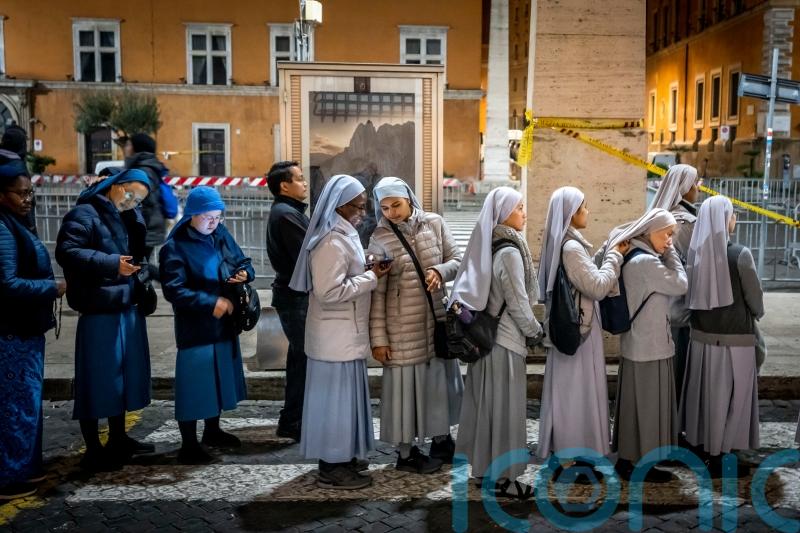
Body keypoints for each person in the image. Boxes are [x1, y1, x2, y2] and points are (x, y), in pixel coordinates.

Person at [290, 174, 391, 490]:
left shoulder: (343, 234)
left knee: (344, 403)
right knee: (334, 405)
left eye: (363, 207)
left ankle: (344, 456)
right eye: (358, 208)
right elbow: (329, 291)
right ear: (340, 206)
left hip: (345, 336)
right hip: (334, 339)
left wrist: (366, 267)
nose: (362, 214)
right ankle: (332, 466)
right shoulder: (331, 241)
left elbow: (346, 273)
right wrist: (371, 277)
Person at [55, 168, 155, 471]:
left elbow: (140, 256)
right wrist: (112, 264)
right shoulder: (85, 213)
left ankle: (118, 438)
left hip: (125, 305)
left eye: (139, 199)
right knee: (97, 380)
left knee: (122, 379)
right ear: (116, 186)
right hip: (99, 309)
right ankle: (93, 448)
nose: (134, 201)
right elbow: (67, 252)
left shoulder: (128, 216)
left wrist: (144, 278)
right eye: (131, 194)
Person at [450, 187, 543, 500]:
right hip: (504, 343)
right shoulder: (509, 252)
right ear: (503, 214)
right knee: (505, 413)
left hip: (484, 343)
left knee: (485, 410)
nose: (524, 213)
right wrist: (536, 331)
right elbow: (518, 303)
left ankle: (483, 471)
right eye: (518, 208)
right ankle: (505, 479)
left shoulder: (487, 245)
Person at [368, 176, 463, 473]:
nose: (392, 213)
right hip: (402, 330)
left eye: (396, 205)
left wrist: (439, 270)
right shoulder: (379, 238)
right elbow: (377, 294)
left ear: (409, 198)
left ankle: (441, 441)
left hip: (435, 322)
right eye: (384, 208)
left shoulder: (434, 223)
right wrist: (379, 339)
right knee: (405, 393)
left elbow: (458, 259)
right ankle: (406, 453)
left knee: (437, 386)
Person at [536, 186, 628, 482]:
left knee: (571, 394)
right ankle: (570, 459)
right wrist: (615, 258)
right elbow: (598, 287)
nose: (588, 211)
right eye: (583, 207)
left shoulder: (568, 243)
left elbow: (587, 274)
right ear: (572, 213)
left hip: (575, 333)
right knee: (575, 396)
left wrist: (606, 251)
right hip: (580, 336)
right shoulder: (571, 248)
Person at [159, 186, 255, 465]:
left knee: (218, 380)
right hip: (197, 327)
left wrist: (244, 274)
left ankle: (212, 430)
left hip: (224, 323)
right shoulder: (175, 247)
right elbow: (174, 290)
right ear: (192, 215)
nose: (214, 223)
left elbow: (243, 261)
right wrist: (208, 302)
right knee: (195, 384)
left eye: (218, 217)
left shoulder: (220, 235)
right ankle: (188, 444)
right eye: (208, 217)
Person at [680, 196, 763, 478]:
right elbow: (755, 298)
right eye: (731, 215)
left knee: (707, 397)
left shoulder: (695, 252)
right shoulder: (740, 254)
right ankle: (726, 454)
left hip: (702, 338)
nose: (734, 219)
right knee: (734, 397)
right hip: (735, 338)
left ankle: (707, 448)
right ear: (723, 219)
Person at [605, 208, 688, 482]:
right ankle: (642, 464)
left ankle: (630, 461)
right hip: (650, 347)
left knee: (634, 408)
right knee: (649, 408)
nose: (669, 240)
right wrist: (671, 254)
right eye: (666, 234)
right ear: (650, 231)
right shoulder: (647, 263)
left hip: (638, 344)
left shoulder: (635, 256)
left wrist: (664, 249)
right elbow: (680, 284)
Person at [0, 160, 64, 499]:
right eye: (21, 193)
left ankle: (23, 467)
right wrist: (51, 288)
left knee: (26, 401)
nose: (28, 199)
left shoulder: (15, 223)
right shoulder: (2, 228)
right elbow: (6, 284)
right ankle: (8, 477)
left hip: (24, 328)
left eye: (31, 192)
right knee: (15, 404)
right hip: (12, 330)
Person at [265, 161, 310, 442]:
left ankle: (294, 418)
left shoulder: (288, 211)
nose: (305, 183)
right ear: (284, 185)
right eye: (300, 179)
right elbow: (307, 254)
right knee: (303, 360)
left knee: (299, 359)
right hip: (294, 298)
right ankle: (293, 420)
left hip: (292, 295)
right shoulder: (285, 215)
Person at [649, 164, 701, 403]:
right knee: (678, 371)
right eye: (694, 183)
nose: (698, 188)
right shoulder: (686, 222)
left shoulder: (658, 217)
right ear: (683, 188)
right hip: (680, 307)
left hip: (659, 305)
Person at [123, 133, 167, 273]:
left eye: (129, 144)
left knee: (135, 266)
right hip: (146, 227)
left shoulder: (143, 170)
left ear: (137, 148)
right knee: (136, 266)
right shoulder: (143, 166)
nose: (126, 147)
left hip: (145, 228)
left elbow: (146, 202)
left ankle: (167, 279)